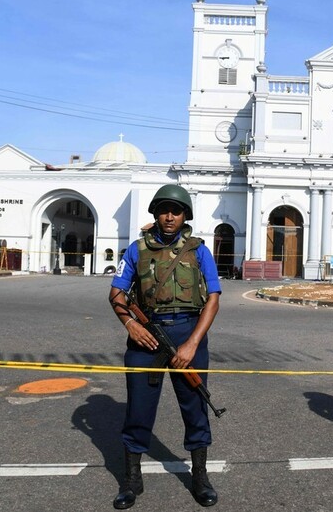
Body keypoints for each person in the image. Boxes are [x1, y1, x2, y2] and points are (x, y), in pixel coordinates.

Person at [108, 184, 222, 509]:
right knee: (138, 410)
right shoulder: (136, 249)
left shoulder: (199, 250)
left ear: (185, 215)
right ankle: (131, 479)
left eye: (176, 210)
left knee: (195, 407)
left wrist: (192, 344)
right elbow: (116, 293)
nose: (169, 216)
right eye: (164, 210)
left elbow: (213, 299)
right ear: (156, 214)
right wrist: (130, 324)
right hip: (146, 336)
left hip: (188, 332)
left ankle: (199, 476)